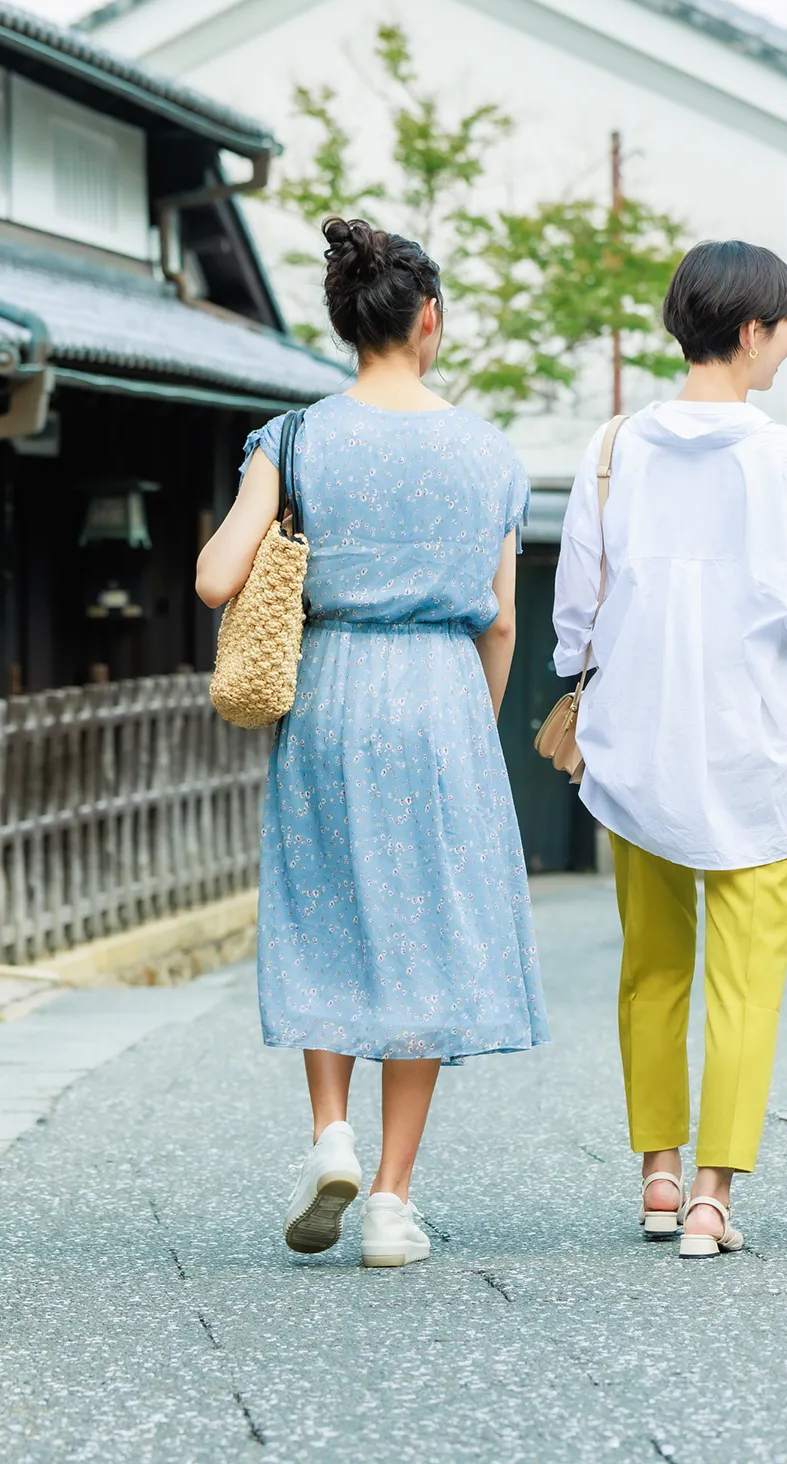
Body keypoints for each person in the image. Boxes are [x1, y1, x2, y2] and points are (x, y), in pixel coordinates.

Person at [196, 217, 547, 1268]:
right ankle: (392, 1200)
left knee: (324, 910)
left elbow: (218, 579)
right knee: (427, 932)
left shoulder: (295, 437)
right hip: (441, 694)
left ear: (347, 324)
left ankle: (329, 1133)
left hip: (331, 689)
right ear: (427, 320)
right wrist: (471, 728)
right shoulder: (488, 451)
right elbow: (499, 620)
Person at [552, 239, 787, 1259]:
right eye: (782, 327)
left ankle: (655, 1173)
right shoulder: (786, 459)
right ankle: (709, 1198)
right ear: (749, 332)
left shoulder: (611, 447)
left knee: (651, 970)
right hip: (753, 742)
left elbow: (574, 616)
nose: (786, 345)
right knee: (746, 977)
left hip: (634, 745)